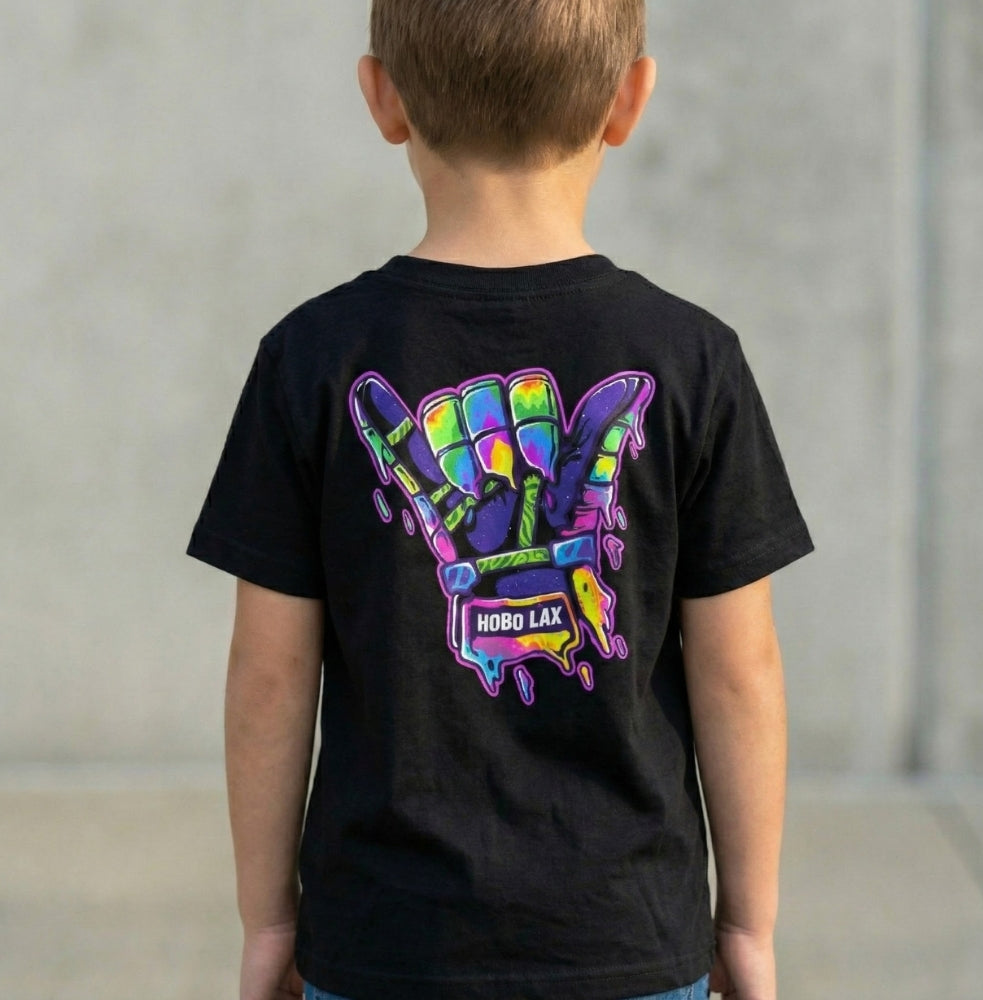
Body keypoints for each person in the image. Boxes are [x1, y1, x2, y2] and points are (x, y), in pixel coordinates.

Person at [187, 2, 813, 998]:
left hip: (385, 939)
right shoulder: (692, 362)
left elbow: (269, 673)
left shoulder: (311, 360)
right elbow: (740, 671)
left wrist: (268, 922)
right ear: (629, 99)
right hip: (628, 935)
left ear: (382, 97)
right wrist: (747, 923)